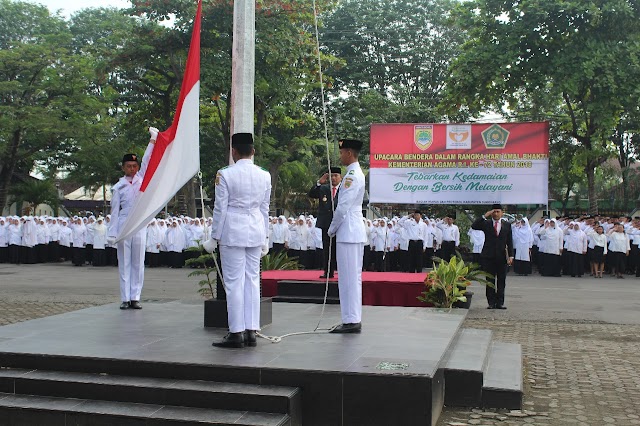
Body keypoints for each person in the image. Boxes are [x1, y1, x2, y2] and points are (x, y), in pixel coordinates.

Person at [204, 133, 271, 348]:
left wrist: (214, 237)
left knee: (234, 283)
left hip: (233, 231)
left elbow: (220, 208)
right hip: (255, 229)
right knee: (252, 281)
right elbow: (265, 209)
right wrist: (266, 237)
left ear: (234, 151)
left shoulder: (225, 174)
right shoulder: (265, 175)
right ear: (253, 151)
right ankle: (251, 329)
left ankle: (236, 332)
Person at [107, 127, 157, 310]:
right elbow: (114, 212)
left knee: (138, 262)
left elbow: (147, 161)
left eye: (134, 166)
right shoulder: (118, 187)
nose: (133, 169)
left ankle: (135, 296)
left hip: (139, 224)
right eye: (129, 166)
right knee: (124, 263)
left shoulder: (141, 179)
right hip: (123, 224)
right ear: (123, 167)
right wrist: (112, 233)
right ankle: (125, 298)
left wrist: (152, 141)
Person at [328, 139, 367, 333]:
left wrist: (332, 228)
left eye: (342, 152)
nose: (340, 155)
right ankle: (351, 318)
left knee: (349, 278)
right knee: (351, 278)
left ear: (349, 153)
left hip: (348, 230)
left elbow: (343, 207)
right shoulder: (353, 173)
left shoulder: (352, 175)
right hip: (351, 231)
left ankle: (351, 320)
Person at [471, 204, 513, 310]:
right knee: (490, 280)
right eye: (494, 212)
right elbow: (474, 225)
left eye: (498, 211)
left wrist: (511, 256)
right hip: (488, 256)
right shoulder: (487, 223)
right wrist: (485, 216)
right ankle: (491, 302)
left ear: (502, 213)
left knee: (501, 281)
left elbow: (510, 241)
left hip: (502, 257)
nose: (496, 214)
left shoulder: (507, 225)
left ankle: (500, 303)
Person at [308, 166, 341, 278]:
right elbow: (311, 194)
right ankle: (328, 272)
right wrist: (319, 183)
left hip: (340, 224)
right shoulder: (324, 188)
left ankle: (341, 271)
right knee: (327, 249)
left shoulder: (344, 189)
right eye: (331, 176)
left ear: (341, 177)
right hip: (326, 223)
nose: (333, 178)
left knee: (340, 249)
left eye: (336, 175)